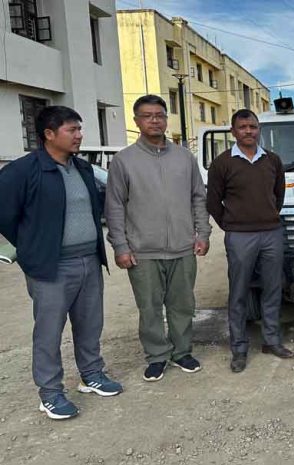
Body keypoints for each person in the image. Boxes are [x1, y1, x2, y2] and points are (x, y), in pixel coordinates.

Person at [0, 106, 122, 420]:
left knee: (90, 324)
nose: (79, 135)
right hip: (50, 267)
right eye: (72, 130)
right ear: (49, 134)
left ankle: (91, 374)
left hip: (88, 261)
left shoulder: (81, 168)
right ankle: (50, 393)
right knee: (49, 332)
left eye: (79, 129)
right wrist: (31, 248)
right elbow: (5, 216)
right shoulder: (23, 171)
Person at [106, 95, 211, 382]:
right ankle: (156, 356)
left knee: (182, 305)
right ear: (136, 120)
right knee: (149, 308)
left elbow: (198, 199)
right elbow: (114, 206)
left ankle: (182, 352)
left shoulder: (184, 158)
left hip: (182, 247)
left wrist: (203, 233)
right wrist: (120, 246)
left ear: (166, 119)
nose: (155, 120)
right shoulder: (124, 161)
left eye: (160, 115)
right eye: (147, 115)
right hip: (143, 251)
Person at [206, 109, 293, 372]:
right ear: (233, 131)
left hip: (271, 233)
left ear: (259, 130)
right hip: (239, 236)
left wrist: (267, 219)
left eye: (253, 127)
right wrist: (232, 225)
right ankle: (239, 349)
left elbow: (279, 195)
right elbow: (213, 201)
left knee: (272, 288)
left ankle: (271, 340)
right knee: (239, 292)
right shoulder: (222, 163)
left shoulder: (273, 161)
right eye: (242, 127)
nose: (248, 131)